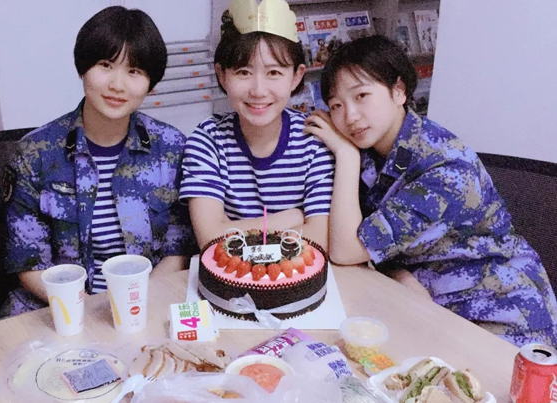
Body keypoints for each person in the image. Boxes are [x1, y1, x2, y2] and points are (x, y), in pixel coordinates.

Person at [307, 35, 557, 346]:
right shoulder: (374, 149)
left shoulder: (445, 168)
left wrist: (346, 155)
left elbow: (346, 250)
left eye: (362, 96)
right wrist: (398, 273)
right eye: (336, 105)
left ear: (399, 91)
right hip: (424, 301)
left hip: (501, 315)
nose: (350, 116)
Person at [2, 6, 195, 316]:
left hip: (147, 303)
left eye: (134, 71)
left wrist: (133, 305)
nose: (117, 84)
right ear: (83, 68)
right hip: (59, 309)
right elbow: (29, 262)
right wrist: (91, 312)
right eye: (105, 65)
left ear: (151, 83)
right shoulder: (35, 153)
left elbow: (178, 250)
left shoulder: (171, 148)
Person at [180, 1, 334, 250]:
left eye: (274, 73)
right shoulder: (207, 140)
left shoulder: (314, 142)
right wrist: (290, 218)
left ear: (296, 76)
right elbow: (210, 239)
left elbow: (319, 240)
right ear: (222, 75)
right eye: (243, 72)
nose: (259, 91)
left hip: (298, 273)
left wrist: (229, 229)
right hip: (230, 273)